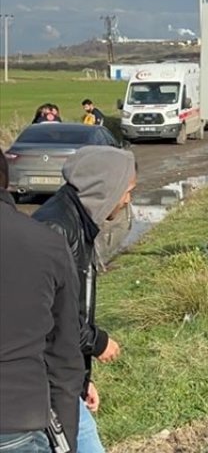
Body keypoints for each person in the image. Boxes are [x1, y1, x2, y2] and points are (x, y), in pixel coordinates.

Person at [33, 147, 136, 453]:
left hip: (61, 379)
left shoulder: (77, 222)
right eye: (127, 190)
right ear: (105, 185)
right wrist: (98, 341)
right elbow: (52, 317)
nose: (128, 199)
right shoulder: (56, 230)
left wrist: (81, 381)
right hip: (44, 384)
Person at [1, 151, 84, 452]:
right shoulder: (47, 245)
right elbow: (64, 355)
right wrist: (66, 443)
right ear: (6, 181)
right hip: (16, 416)